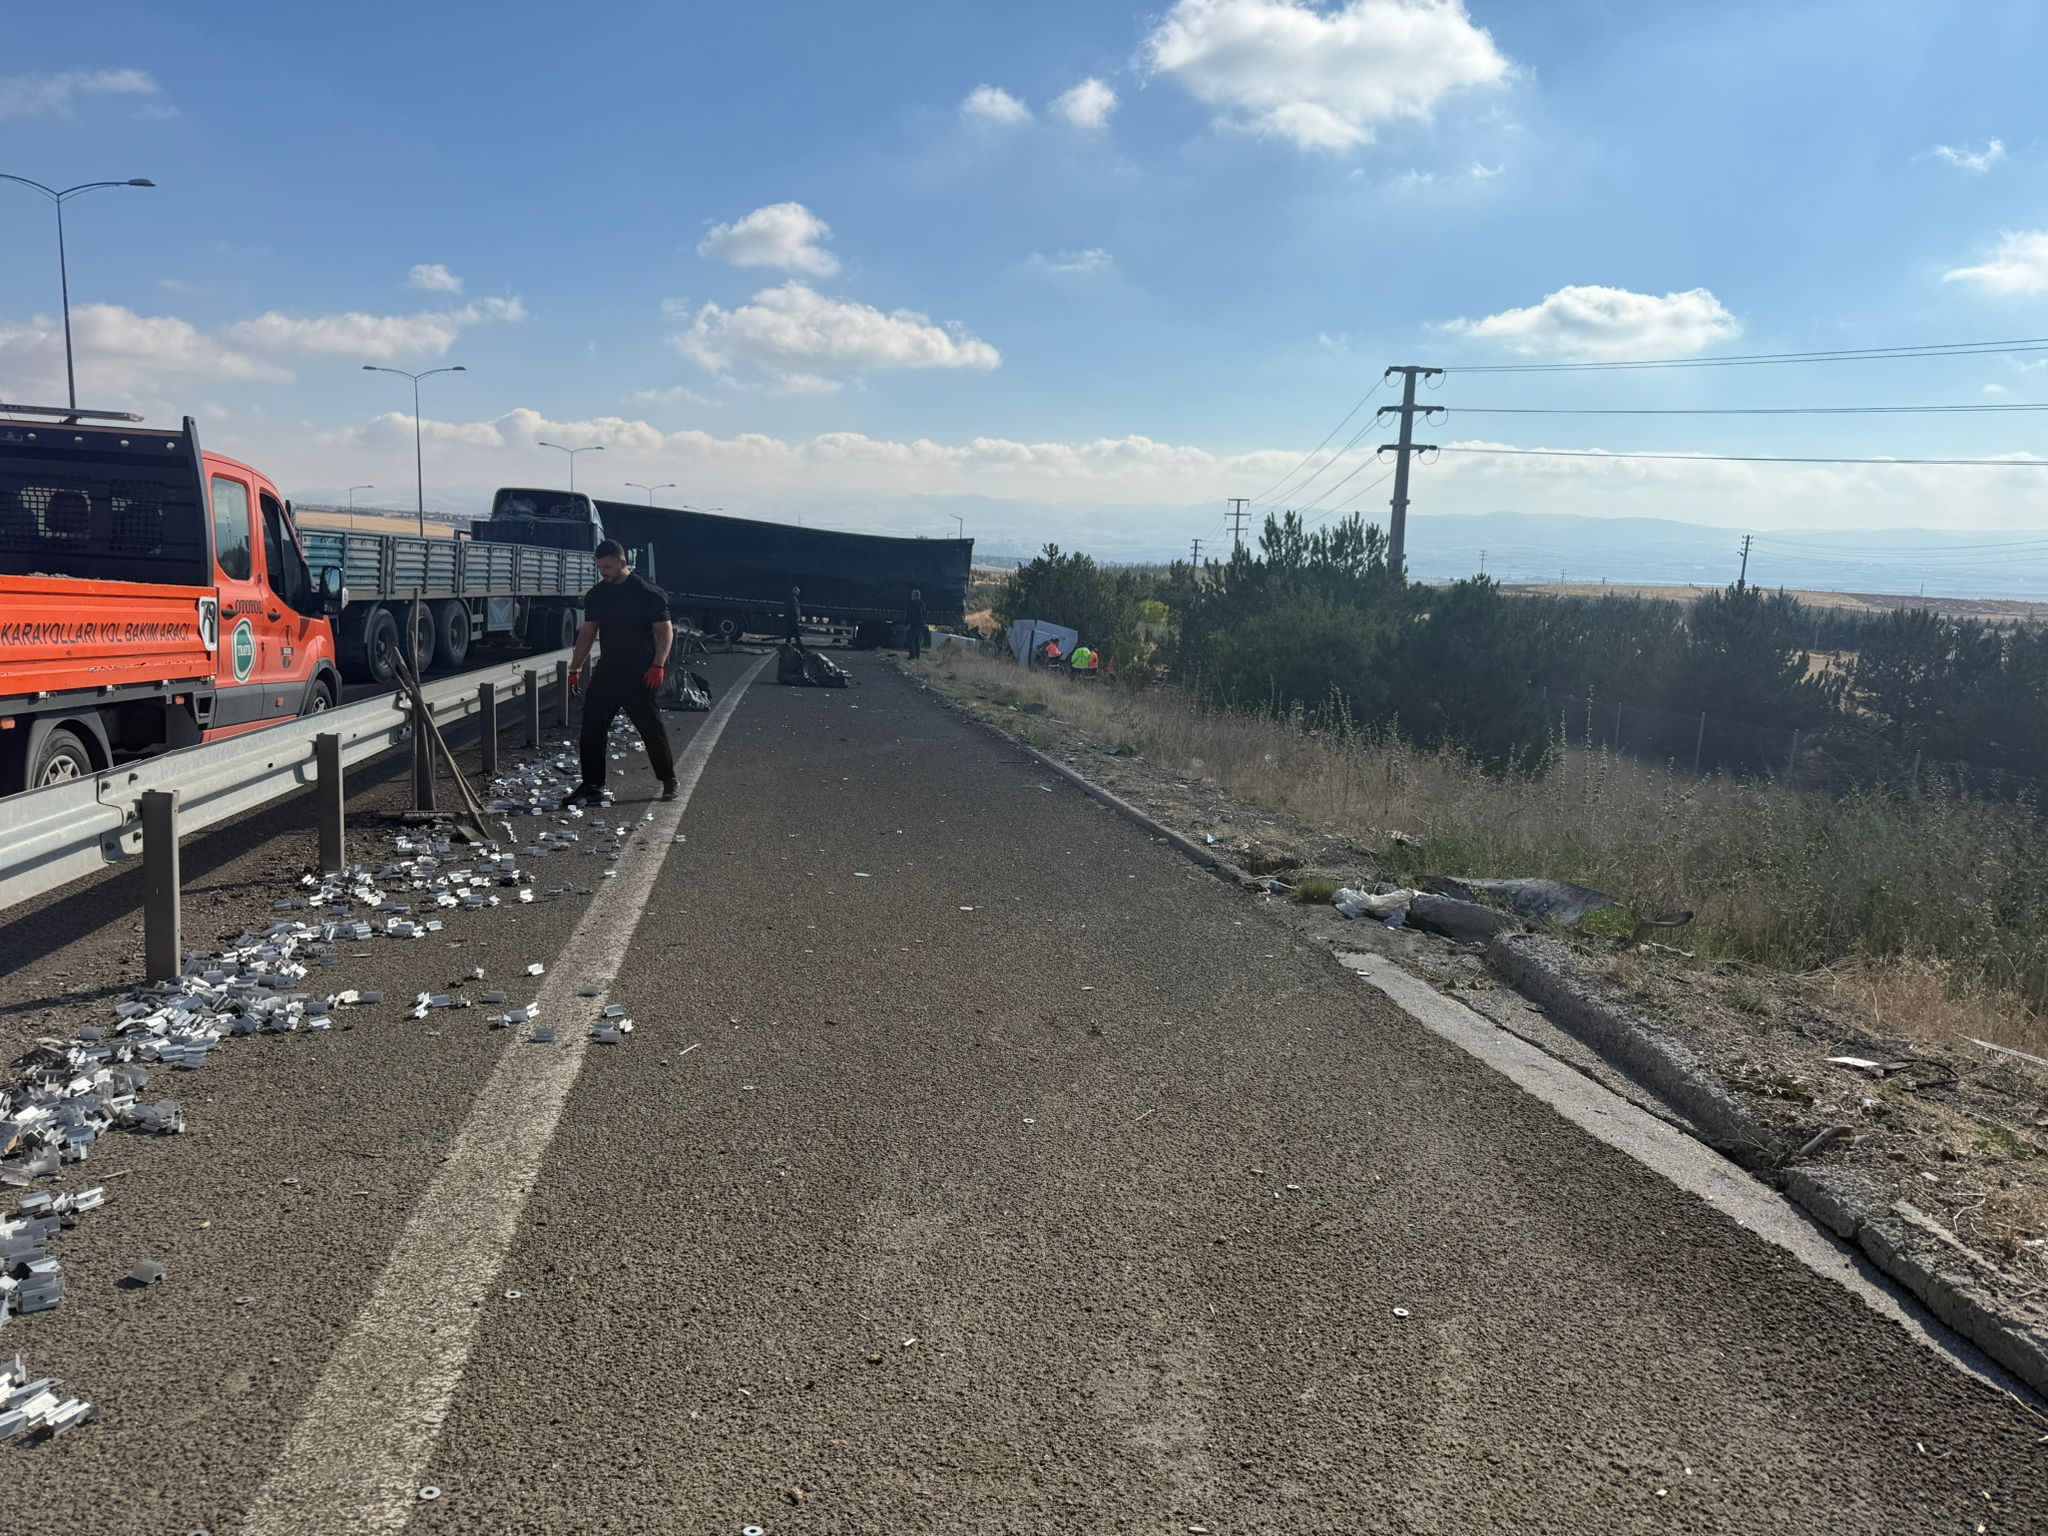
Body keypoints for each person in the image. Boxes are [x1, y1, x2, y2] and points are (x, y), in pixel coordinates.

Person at [561, 540, 676, 807]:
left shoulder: (648, 593)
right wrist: (575, 667)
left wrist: (658, 664)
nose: (603, 572)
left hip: (641, 672)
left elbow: (664, 631)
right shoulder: (597, 595)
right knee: (592, 728)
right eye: (599, 567)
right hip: (609, 670)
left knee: (650, 728)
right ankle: (592, 785)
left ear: (623, 563)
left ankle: (669, 779)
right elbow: (588, 633)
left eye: (607, 567)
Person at [905, 588, 927, 661]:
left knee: (911, 640)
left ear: (914, 596)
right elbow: (924, 614)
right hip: (921, 624)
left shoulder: (911, 604)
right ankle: (917, 656)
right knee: (918, 640)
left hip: (913, 624)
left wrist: (907, 624)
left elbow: (909, 615)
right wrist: (924, 623)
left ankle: (912, 656)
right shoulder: (922, 603)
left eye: (912, 595)